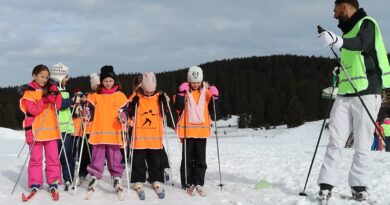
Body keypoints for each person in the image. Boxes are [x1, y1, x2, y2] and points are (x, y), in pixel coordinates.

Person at [317, 0, 390, 201]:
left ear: (345, 7)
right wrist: (340, 69)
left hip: (367, 91)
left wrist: (337, 41)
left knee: (362, 142)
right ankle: (326, 184)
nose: (333, 14)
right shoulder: (348, 33)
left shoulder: (368, 23)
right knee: (335, 139)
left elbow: (362, 44)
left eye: (335, 9)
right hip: (345, 93)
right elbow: (355, 60)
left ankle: (359, 186)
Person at [174, 66, 219, 196]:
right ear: (189, 81)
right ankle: (187, 182)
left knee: (200, 159)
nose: (195, 84)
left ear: (201, 81)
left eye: (197, 82)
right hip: (188, 132)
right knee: (187, 159)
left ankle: (198, 181)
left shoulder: (206, 92)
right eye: (193, 82)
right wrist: (180, 94)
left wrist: (215, 98)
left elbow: (213, 111)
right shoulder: (184, 92)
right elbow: (178, 108)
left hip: (201, 132)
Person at [82, 66, 128, 192]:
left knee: (115, 157)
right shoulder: (95, 96)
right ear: (101, 81)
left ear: (115, 81)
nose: (108, 83)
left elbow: (124, 112)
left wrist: (123, 116)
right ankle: (95, 175)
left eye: (110, 81)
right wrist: (86, 114)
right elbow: (89, 112)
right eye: (105, 81)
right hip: (98, 132)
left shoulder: (120, 96)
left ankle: (116, 176)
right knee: (97, 156)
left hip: (114, 133)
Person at [19, 64, 63, 195]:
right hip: (35, 131)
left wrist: (56, 94)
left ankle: (53, 180)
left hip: (51, 131)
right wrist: (45, 99)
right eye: (41, 76)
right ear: (34, 75)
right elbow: (33, 110)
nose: (44, 79)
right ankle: (35, 182)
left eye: (46, 77)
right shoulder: (29, 93)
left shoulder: (50, 89)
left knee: (53, 158)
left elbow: (58, 106)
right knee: (36, 159)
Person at [127, 72, 168, 199]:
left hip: (155, 137)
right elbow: (127, 110)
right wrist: (130, 115)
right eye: (147, 90)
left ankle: (155, 179)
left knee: (155, 161)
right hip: (140, 137)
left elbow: (165, 111)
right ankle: (138, 180)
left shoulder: (159, 97)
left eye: (151, 91)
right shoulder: (136, 97)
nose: (149, 93)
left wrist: (164, 101)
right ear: (142, 87)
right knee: (138, 161)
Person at [50, 62, 76, 190]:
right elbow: (58, 105)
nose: (68, 78)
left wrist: (75, 108)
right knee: (56, 155)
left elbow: (66, 109)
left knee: (67, 154)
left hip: (66, 129)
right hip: (55, 129)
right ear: (59, 77)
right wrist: (71, 101)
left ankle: (68, 177)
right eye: (66, 76)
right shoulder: (53, 91)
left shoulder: (65, 90)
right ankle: (54, 177)